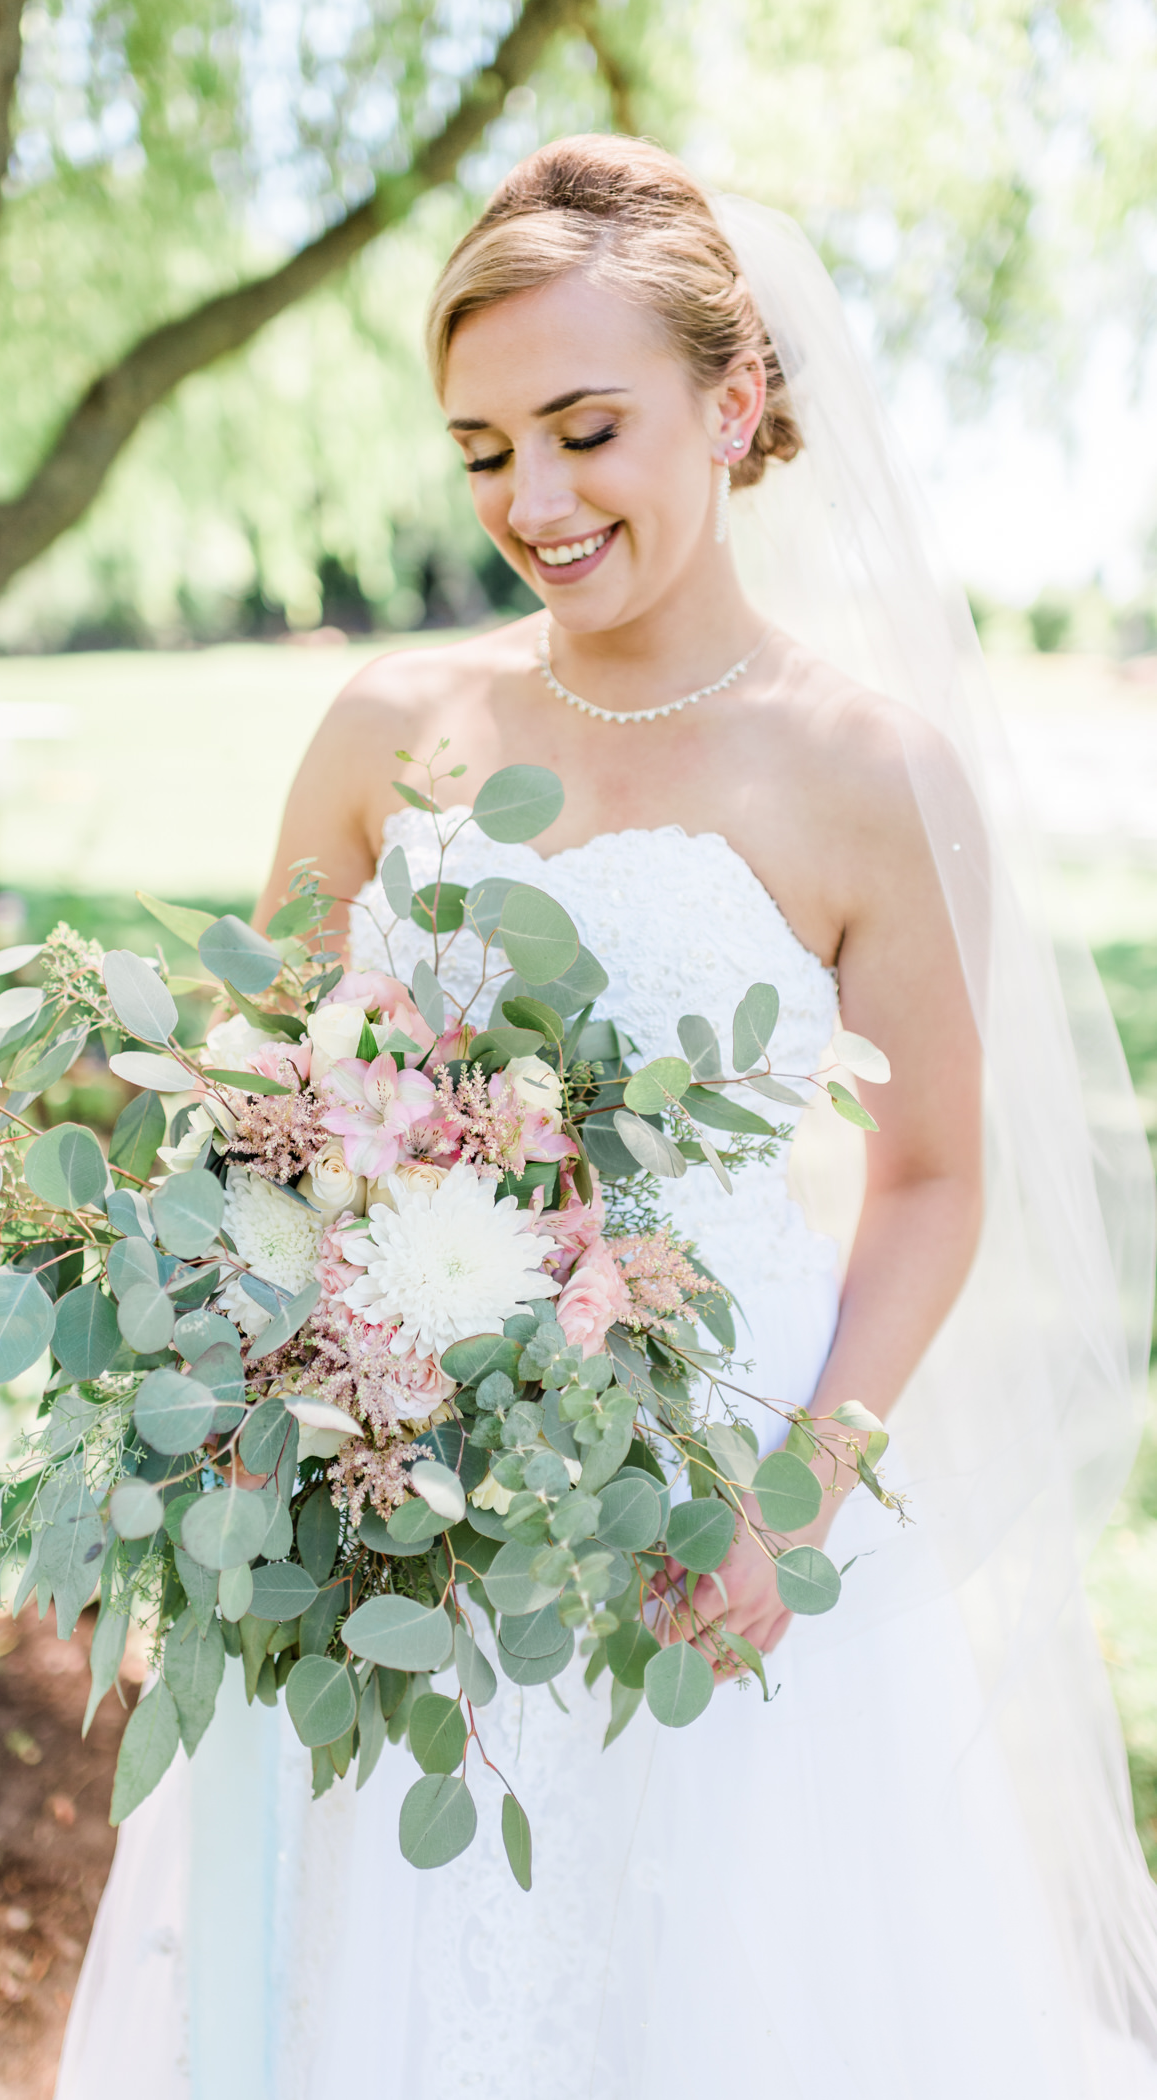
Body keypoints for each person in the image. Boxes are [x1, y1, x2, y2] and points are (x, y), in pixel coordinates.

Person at [57, 137, 1157, 2098]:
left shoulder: (863, 773)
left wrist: (792, 1493)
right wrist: (221, 1435)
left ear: (732, 404)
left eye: (584, 429)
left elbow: (926, 1177)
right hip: (389, 1521)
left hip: (700, 1509)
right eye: (482, 449)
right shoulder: (390, 733)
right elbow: (247, 1109)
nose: (532, 502)